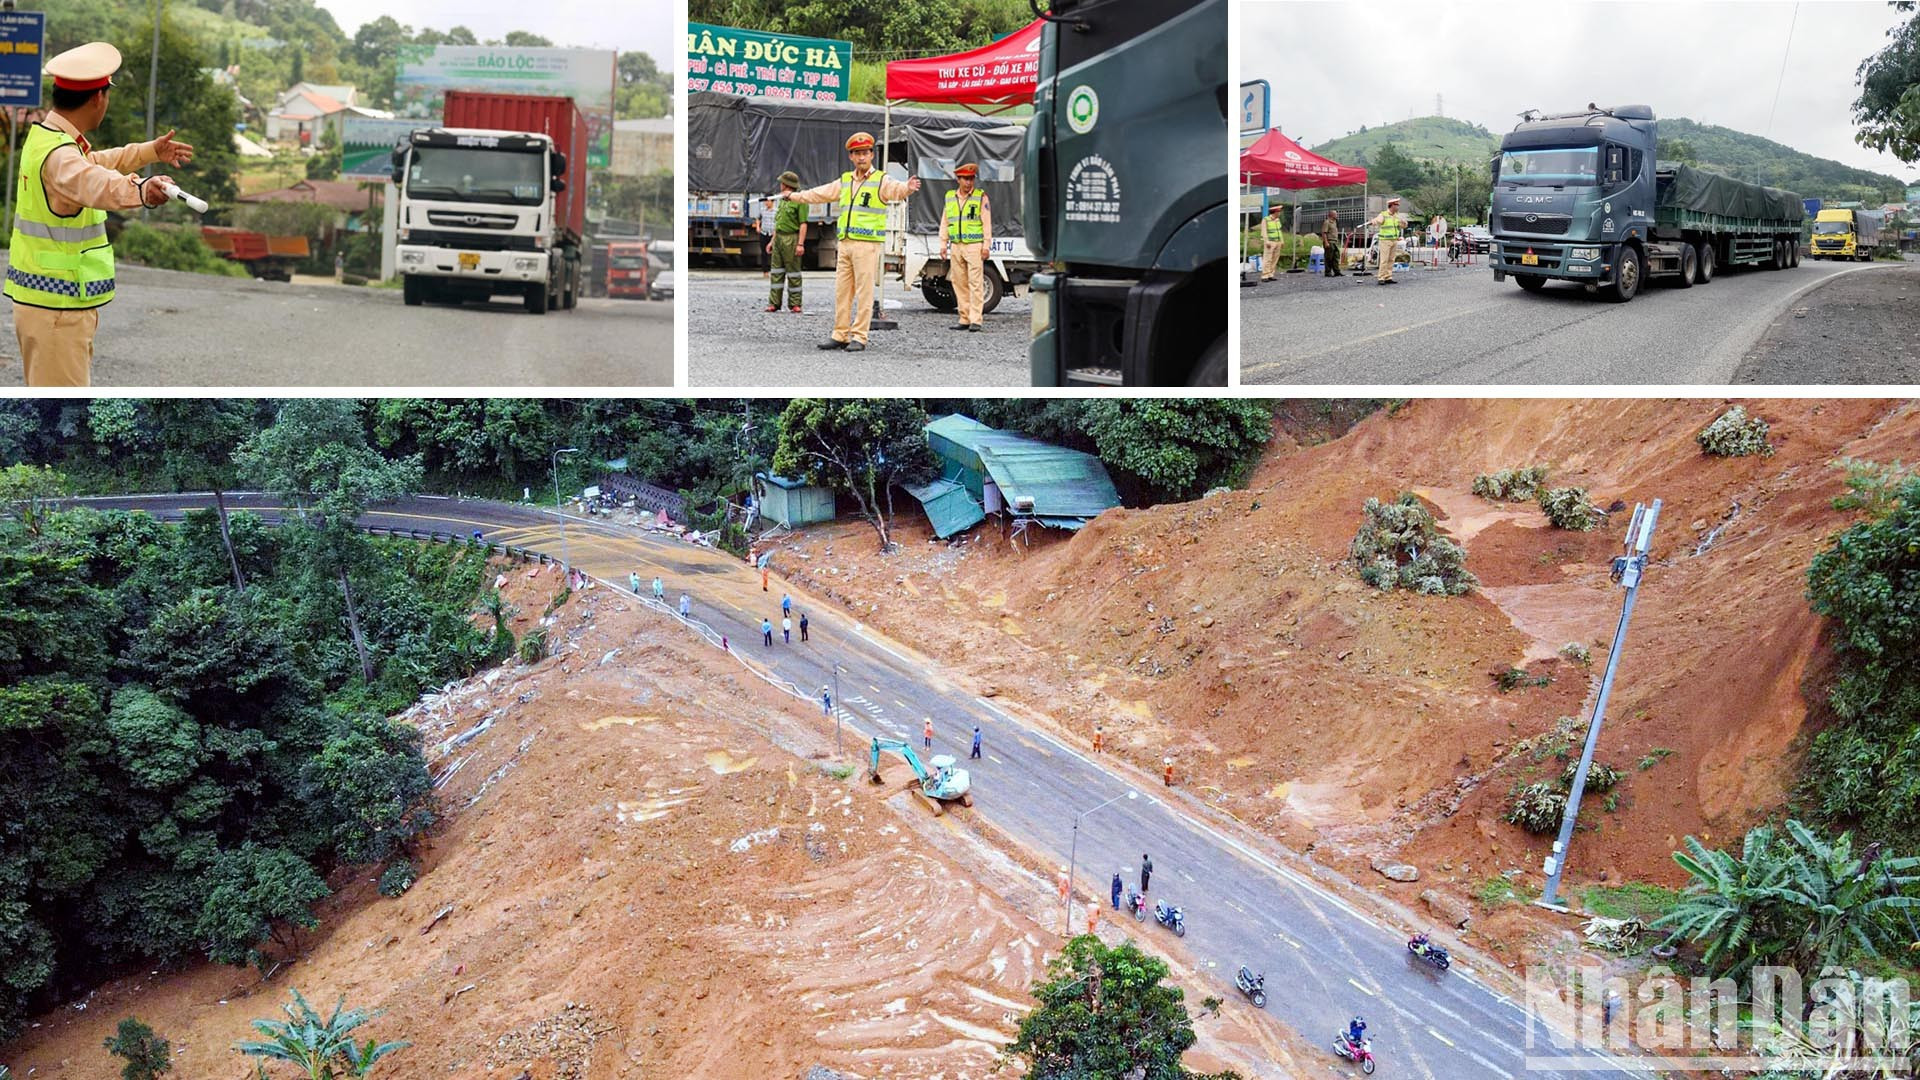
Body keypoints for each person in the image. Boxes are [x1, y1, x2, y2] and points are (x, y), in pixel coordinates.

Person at [7, 42, 193, 386]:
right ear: (98, 99)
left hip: (52, 306)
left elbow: (96, 164)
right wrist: (142, 190)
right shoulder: (61, 155)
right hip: (56, 311)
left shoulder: (48, 139)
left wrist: (149, 151)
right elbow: (96, 183)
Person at [785, 131, 921, 353]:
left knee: (864, 292)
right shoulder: (846, 180)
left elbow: (896, 190)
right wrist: (796, 196)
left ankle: (860, 336)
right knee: (842, 291)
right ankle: (840, 334)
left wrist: (907, 188)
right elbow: (821, 193)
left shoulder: (881, 180)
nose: (861, 158)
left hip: (867, 245)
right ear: (851, 156)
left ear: (871, 156)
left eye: (865, 153)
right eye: (857, 154)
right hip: (846, 243)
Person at [942, 162, 991, 331]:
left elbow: (986, 223)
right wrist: (943, 243)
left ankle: (976, 319)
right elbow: (945, 221)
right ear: (958, 179)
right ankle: (964, 318)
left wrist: (986, 245)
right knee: (958, 282)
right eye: (965, 179)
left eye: (971, 179)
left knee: (975, 283)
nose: (969, 182)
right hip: (956, 245)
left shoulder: (980, 197)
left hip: (974, 246)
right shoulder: (950, 197)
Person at [765, 171, 807, 312]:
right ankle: (774, 303)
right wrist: (772, 241)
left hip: (792, 238)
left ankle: (795, 304)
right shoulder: (781, 200)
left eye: (782, 182)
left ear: (787, 185)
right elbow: (778, 223)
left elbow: (803, 223)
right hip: (779, 239)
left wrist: (800, 244)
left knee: (793, 272)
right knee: (776, 271)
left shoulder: (800, 201)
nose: (780, 185)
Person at [1366, 197, 1404, 285]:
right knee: (1384, 260)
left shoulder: (1395, 216)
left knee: (1391, 260)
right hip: (1385, 240)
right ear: (1392, 206)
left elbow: (1401, 226)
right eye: (1397, 205)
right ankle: (1381, 277)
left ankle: (1388, 277)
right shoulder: (1383, 214)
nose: (1398, 207)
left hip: (1394, 240)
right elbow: (1378, 220)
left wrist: (1404, 223)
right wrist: (1374, 221)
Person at [1258, 204, 1286, 281]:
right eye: (1278, 212)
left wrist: (1282, 241)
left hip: (1277, 241)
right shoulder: (1266, 220)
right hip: (1270, 242)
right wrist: (1266, 241)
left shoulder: (1277, 220)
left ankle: (1271, 274)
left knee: (1275, 259)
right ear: (1275, 212)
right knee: (1268, 258)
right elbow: (1264, 231)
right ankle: (1265, 275)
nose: (1279, 213)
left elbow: (1279, 231)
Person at [1321, 210, 1343, 277]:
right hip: (1329, 242)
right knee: (1328, 258)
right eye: (1336, 214)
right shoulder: (1327, 222)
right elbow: (1324, 233)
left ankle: (1337, 271)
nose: (1337, 215)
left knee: (1336, 257)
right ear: (1332, 215)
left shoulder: (1335, 222)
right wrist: (1326, 242)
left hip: (1334, 242)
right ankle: (1328, 272)